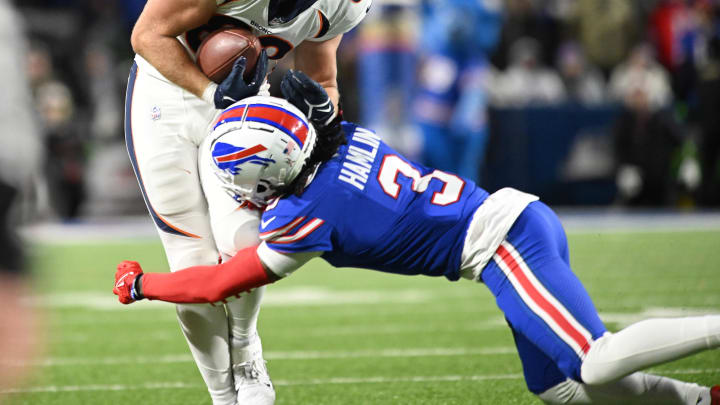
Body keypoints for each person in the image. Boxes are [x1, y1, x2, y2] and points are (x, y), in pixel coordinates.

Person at [116, 73, 720, 404]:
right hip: (510, 229)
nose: (241, 194)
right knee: (558, 389)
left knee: (594, 361)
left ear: (270, 172)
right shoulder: (341, 136)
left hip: (505, 243)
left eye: (241, 181)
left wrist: (144, 285)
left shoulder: (305, 217)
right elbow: (306, 113)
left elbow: (220, 281)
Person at [125, 1, 370, 404]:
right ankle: (223, 396)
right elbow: (148, 35)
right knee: (192, 264)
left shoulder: (343, 5)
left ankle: (247, 350)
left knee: (244, 244)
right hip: (163, 98)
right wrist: (211, 92)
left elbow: (321, 76)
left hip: (245, 107)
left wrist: (320, 112)